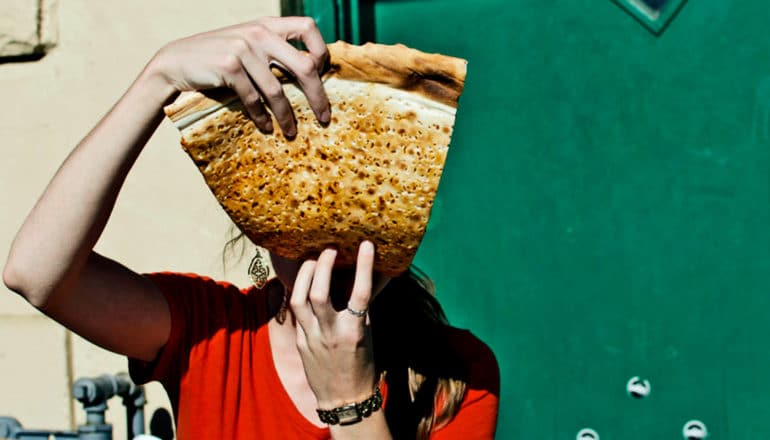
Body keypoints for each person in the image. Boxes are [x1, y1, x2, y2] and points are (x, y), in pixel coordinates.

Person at [3, 16, 499, 439]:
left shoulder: (457, 376)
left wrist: (350, 400)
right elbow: (36, 273)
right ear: (256, 223)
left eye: (358, 212)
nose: (333, 246)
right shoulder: (213, 332)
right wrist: (159, 76)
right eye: (303, 210)